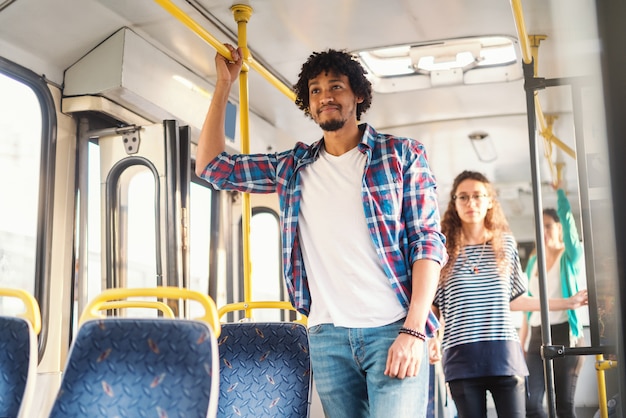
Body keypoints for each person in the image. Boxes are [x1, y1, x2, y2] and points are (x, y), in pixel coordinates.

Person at [195, 44, 447, 418]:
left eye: (336, 87)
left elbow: (427, 243)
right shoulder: (293, 167)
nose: (325, 96)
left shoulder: (402, 155)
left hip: (392, 328)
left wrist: (414, 330)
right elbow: (212, 167)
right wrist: (223, 84)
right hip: (327, 335)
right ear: (308, 104)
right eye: (315, 90)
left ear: (358, 94)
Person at [430, 171, 587, 418]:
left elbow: (517, 300)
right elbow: (433, 308)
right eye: (463, 197)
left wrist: (567, 303)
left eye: (478, 196)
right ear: (454, 203)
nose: (471, 203)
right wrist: (429, 339)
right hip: (461, 359)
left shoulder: (505, 244)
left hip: (504, 356)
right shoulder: (441, 250)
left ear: (490, 200)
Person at [518, 183, 586, 418]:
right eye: (539, 226)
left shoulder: (570, 256)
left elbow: (570, 227)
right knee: (532, 404)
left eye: (547, 226)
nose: (543, 231)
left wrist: (561, 196)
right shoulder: (533, 261)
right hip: (536, 338)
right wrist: (522, 342)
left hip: (565, 335)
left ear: (558, 228)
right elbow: (528, 304)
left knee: (563, 405)